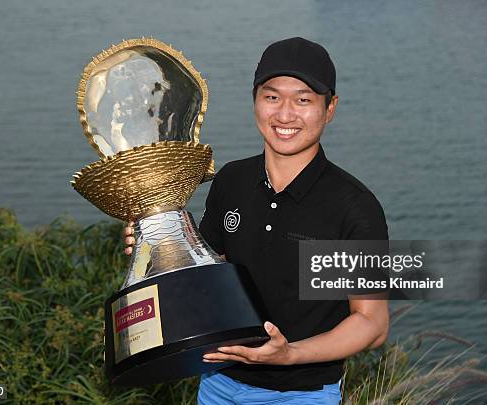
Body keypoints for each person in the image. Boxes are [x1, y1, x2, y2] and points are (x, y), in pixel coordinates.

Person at [123, 37, 389, 404]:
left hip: (301, 394)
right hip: (218, 383)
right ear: (255, 100)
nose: (284, 115)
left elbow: (372, 324)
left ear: (330, 108)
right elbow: (208, 279)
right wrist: (158, 248)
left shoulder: (352, 206)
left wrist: (289, 354)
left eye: (303, 100)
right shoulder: (232, 180)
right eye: (272, 96)